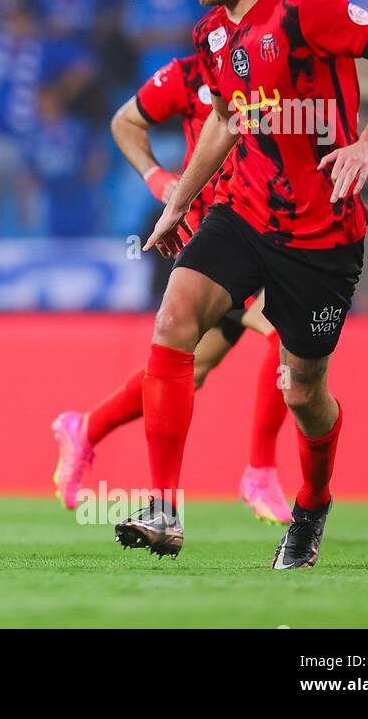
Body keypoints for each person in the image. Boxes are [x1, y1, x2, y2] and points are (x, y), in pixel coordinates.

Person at [117, 0, 368, 568]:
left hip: (323, 232)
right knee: (175, 318)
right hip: (246, 213)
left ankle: (313, 503)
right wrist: (179, 201)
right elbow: (226, 125)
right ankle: (164, 508)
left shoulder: (307, 9)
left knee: (304, 391)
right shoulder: (210, 36)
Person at [52, 53, 292, 525]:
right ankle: (260, 471)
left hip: (265, 233)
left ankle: (85, 428)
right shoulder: (190, 74)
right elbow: (124, 122)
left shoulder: (278, 76)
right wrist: (158, 178)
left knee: (187, 372)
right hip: (216, 244)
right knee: (282, 330)